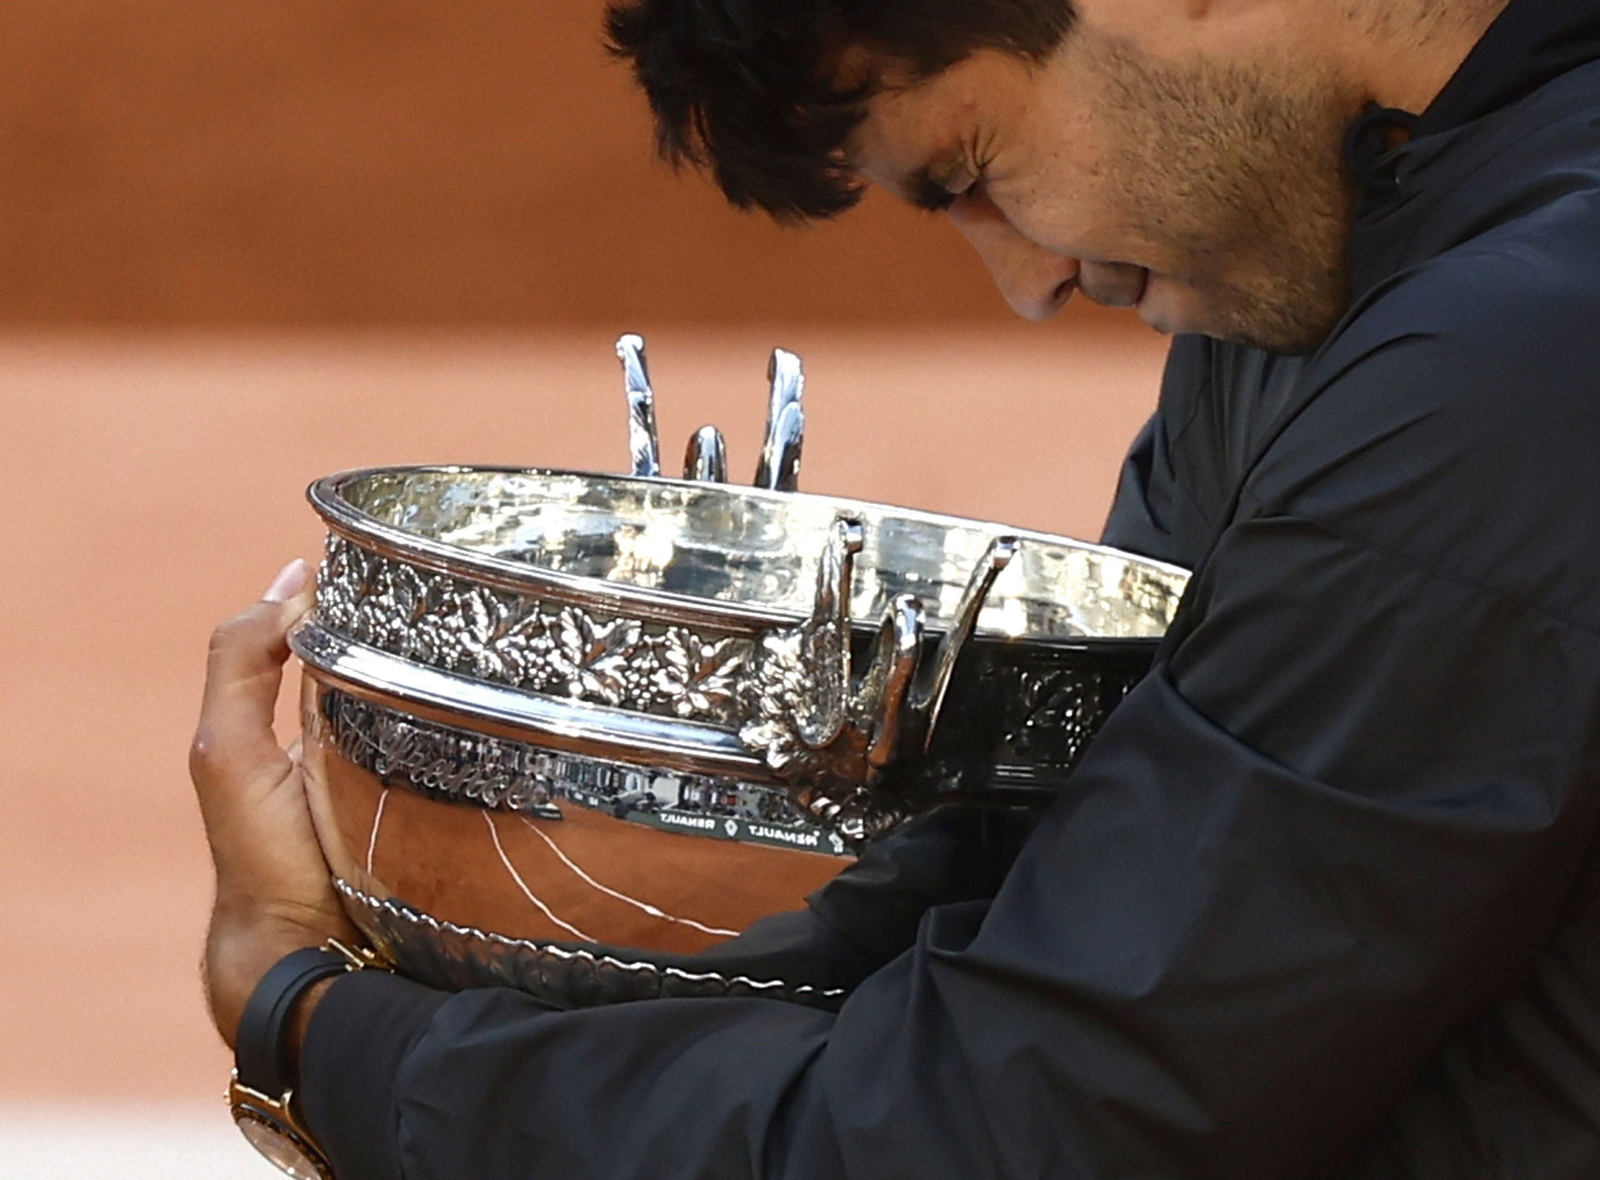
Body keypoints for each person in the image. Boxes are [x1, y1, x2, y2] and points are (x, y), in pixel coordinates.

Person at [190, 0, 1600, 1175]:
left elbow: (1008, 1126)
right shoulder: (1320, 276)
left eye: (976, 166)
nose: (1030, 282)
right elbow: (1028, 886)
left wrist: (318, 1027)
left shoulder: (1498, 367)